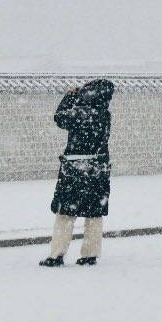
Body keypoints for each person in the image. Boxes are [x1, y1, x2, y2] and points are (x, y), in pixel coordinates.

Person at [41, 79, 115, 267]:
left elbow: (59, 117)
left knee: (65, 213)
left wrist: (70, 95)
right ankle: (90, 254)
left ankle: (57, 254)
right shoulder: (104, 115)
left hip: (74, 170)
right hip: (97, 170)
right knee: (94, 214)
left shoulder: (79, 113)